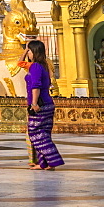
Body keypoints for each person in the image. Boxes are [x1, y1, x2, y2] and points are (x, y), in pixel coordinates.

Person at [25, 39, 64, 170]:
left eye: (29, 51)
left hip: (40, 105)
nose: (28, 53)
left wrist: (34, 103)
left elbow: (36, 86)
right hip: (48, 103)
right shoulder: (44, 65)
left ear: (34, 52)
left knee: (34, 132)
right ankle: (44, 163)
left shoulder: (35, 66)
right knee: (44, 133)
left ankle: (53, 160)